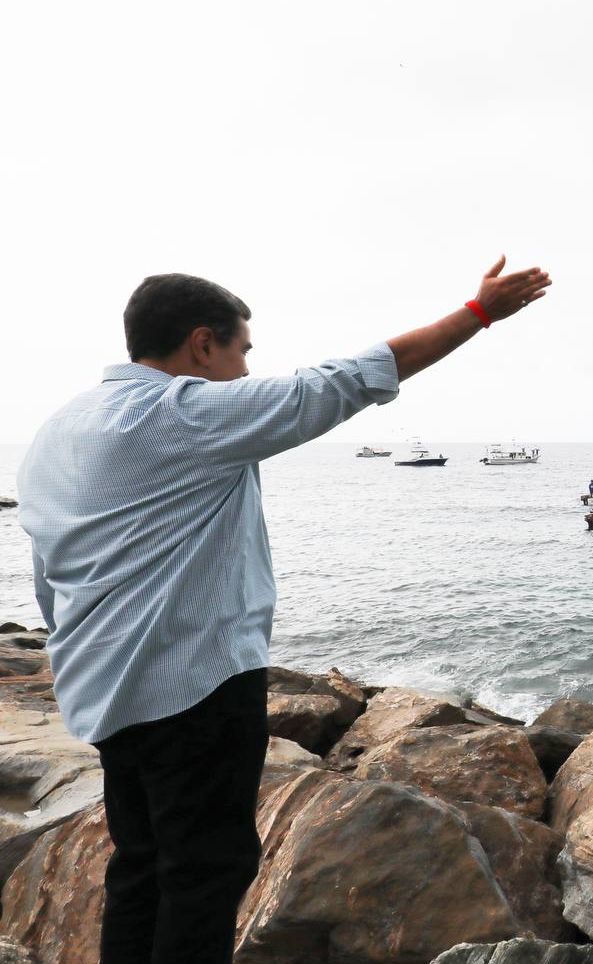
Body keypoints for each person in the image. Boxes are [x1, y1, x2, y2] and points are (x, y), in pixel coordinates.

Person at [15, 261, 551, 964]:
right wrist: (476, 315)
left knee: (141, 864)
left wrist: (69, 650)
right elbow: (335, 385)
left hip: (103, 689)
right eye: (240, 352)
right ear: (202, 344)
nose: (243, 373)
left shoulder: (59, 429)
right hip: (191, 689)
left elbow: (47, 564)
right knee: (206, 873)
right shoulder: (178, 411)